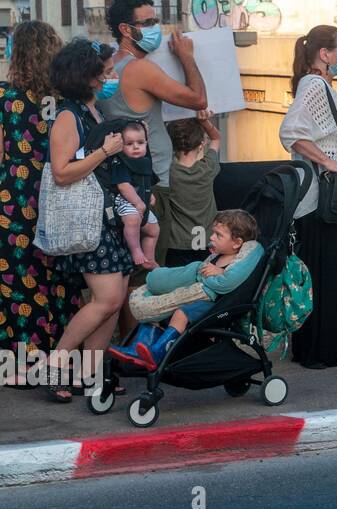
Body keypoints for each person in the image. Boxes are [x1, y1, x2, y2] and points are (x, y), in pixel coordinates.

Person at [44, 40, 131, 401]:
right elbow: (62, 172)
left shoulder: (92, 111)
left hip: (107, 216)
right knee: (107, 298)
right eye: (106, 70)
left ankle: (89, 375)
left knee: (114, 299)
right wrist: (104, 152)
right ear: (88, 76)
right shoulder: (68, 115)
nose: (112, 75)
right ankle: (57, 364)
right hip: (87, 219)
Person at [101, 0, 207, 266]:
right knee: (148, 268)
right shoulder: (140, 69)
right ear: (126, 30)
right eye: (148, 22)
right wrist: (186, 57)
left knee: (127, 267)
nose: (155, 28)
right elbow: (198, 99)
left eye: (156, 20)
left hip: (123, 178)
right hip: (150, 182)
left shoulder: (110, 66)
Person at [279, 25, 337, 369]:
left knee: (334, 274)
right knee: (328, 274)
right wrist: (329, 162)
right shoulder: (314, 86)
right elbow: (291, 132)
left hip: (329, 199)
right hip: (321, 200)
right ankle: (321, 350)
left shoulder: (322, 86)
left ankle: (331, 348)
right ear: (325, 55)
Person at [0, 21, 81, 358]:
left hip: (15, 201)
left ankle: (22, 364)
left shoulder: (5, 98)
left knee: (19, 281)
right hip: (62, 196)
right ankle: (68, 359)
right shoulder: (69, 99)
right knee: (63, 279)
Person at [109, 210, 263, 371]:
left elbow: (227, 282)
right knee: (155, 310)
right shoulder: (218, 256)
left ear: (237, 243)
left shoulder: (239, 262)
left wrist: (220, 272)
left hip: (216, 306)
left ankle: (158, 351)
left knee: (181, 313)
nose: (211, 237)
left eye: (218, 235)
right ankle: (138, 349)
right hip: (198, 298)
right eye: (213, 233)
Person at [163, 112, 221, 268]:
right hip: (206, 241)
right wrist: (205, 121)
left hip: (177, 244)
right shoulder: (208, 168)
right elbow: (216, 138)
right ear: (201, 144)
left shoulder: (167, 173)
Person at [109, 122, 160, 270]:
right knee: (132, 220)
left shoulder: (144, 162)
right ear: (121, 145)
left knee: (154, 230)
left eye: (140, 142)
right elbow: (124, 186)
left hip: (142, 203)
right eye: (129, 143)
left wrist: (150, 195)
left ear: (146, 143)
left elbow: (146, 182)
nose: (136, 146)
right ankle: (136, 249)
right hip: (126, 202)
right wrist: (137, 203)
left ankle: (149, 258)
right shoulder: (122, 162)